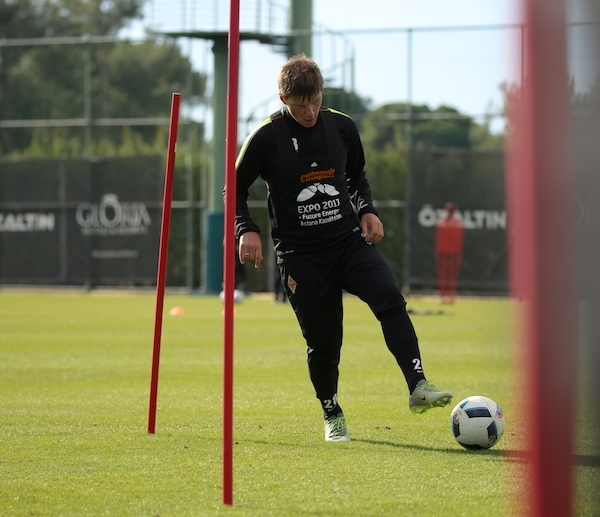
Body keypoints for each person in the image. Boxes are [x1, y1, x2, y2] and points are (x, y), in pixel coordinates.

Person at [231, 54, 452, 442]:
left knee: (389, 296)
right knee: (325, 344)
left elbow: (356, 176)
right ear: (283, 99)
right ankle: (332, 412)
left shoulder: (343, 126)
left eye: (316, 102)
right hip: (300, 256)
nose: (310, 112)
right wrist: (245, 229)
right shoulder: (265, 137)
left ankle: (418, 385)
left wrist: (367, 209)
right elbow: (233, 188)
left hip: (348, 242)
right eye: (300, 106)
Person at [435, 202, 464, 304]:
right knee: (445, 275)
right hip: (447, 251)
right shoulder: (455, 223)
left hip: (451, 251)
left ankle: (450, 296)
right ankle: (445, 296)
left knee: (451, 275)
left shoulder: (442, 222)